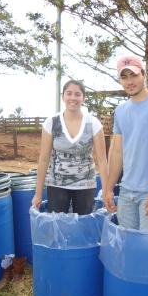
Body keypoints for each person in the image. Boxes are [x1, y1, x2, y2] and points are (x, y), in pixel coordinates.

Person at [104, 55, 148, 230]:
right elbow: (117, 153)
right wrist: (108, 188)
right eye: (124, 77)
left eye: (134, 75)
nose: (129, 81)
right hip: (127, 191)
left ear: (143, 74)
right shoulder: (120, 111)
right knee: (128, 245)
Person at [32, 80, 108, 215]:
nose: (73, 98)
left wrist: (107, 193)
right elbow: (43, 160)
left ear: (83, 98)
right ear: (63, 97)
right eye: (69, 94)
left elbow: (102, 161)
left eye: (77, 94)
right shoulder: (51, 123)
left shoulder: (93, 123)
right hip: (57, 184)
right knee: (58, 227)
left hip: (85, 184)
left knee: (84, 228)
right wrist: (38, 194)